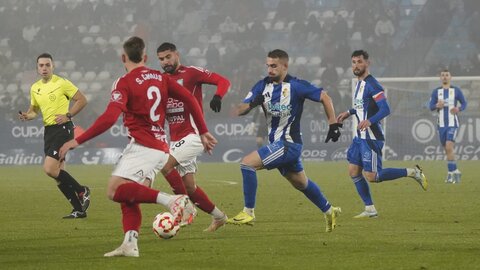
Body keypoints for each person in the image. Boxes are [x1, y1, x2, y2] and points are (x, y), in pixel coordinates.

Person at [59, 37, 217, 257]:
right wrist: (203, 130)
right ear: (145, 57)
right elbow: (190, 100)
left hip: (143, 146)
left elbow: (110, 117)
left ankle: (172, 200)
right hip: (160, 145)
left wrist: (78, 139)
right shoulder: (161, 78)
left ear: (123, 57)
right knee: (129, 194)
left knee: (114, 190)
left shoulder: (124, 82)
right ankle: (130, 243)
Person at [226, 49, 342, 233]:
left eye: (274, 66)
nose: (269, 70)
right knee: (301, 183)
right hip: (277, 144)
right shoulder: (261, 86)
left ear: (285, 66)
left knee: (247, 164)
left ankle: (248, 212)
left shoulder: (297, 86)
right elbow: (241, 108)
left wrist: (333, 124)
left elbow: (325, 97)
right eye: (268, 66)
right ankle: (330, 210)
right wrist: (248, 105)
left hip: (289, 144)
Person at [141, 42, 230, 232]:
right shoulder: (160, 81)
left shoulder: (191, 73)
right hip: (176, 139)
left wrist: (218, 96)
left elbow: (223, 81)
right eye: (161, 59)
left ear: (177, 54)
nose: (165, 62)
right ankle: (219, 217)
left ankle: (184, 207)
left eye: (168, 57)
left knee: (165, 165)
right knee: (190, 187)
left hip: (195, 135)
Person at [336, 50, 428, 219]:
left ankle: (412, 172)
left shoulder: (373, 85)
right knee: (354, 171)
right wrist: (349, 112)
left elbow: (385, 109)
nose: (356, 65)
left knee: (372, 176)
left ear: (367, 63)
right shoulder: (359, 83)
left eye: (359, 62)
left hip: (371, 137)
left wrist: (370, 121)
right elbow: (361, 106)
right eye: (353, 62)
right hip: (360, 136)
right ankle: (370, 209)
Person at [19, 53, 90, 219]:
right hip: (49, 132)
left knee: (50, 169)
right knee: (59, 175)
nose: (44, 68)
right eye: (41, 65)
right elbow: (34, 111)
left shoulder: (61, 83)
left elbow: (82, 100)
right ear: (37, 68)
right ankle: (79, 210)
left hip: (63, 128)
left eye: (47, 65)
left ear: (53, 66)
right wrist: (27, 116)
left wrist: (68, 115)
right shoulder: (35, 88)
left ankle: (82, 190)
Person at [428, 69, 467, 183]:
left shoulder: (456, 91)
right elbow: (430, 106)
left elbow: (464, 103)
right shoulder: (436, 92)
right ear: (440, 78)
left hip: (452, 123)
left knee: (449, 147)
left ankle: (450, 175)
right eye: (443, 75)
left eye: (447, 75)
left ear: (450, 77)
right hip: (441, 125)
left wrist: (458, 108)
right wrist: (437, 105)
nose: (445, 77)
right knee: (447, 150)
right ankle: (456, 171)